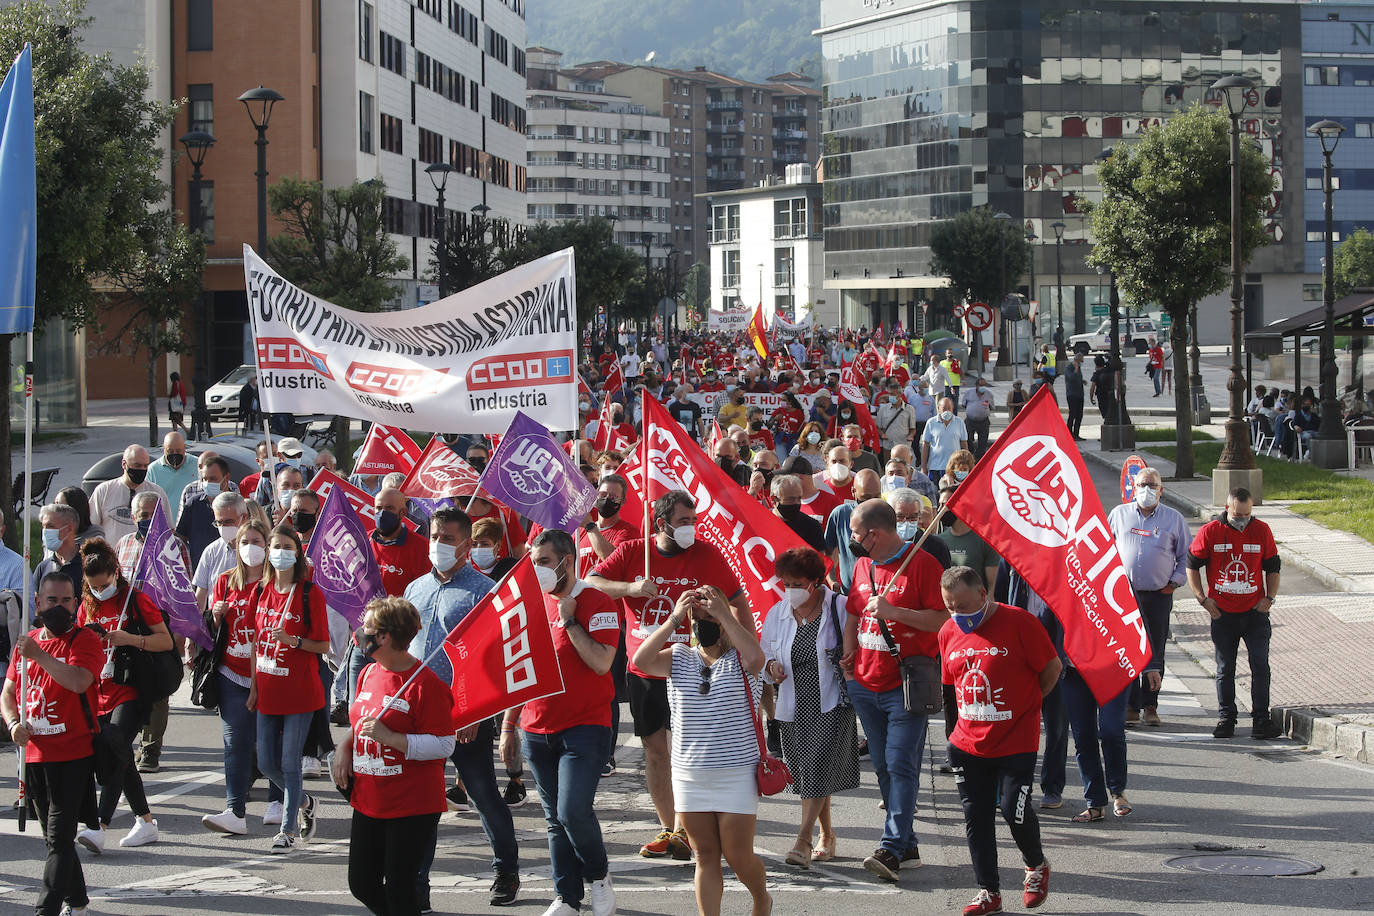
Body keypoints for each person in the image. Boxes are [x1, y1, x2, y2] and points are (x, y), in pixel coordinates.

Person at [588, 490, 752, 861]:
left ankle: (689, 829)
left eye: (693, 521)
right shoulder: (633, 551)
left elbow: (738, 599)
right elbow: (594, 581)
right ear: (661, 524)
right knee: (656, 752)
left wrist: (748, 649)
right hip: (645, 668)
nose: (691, 528)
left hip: (692, 667)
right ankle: (671, 828)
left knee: (689, 754)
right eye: (683, 522)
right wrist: (630, 588)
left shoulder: (707, 554)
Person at [405, 508, 521, 908]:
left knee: (483, 792)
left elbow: (491, 659)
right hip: (419, 712)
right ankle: (417, 882)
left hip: (464, 713)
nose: (439, 543)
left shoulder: (483, 590)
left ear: (467, 544)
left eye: (449, 538)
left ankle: (506, 870)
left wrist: (474, 713)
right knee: (424, 799)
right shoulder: (415, 589)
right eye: (435, 535)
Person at [500, 531, 620, 916]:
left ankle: (599, 878)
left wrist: (570, 622)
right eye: (533, 562)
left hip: (585, 727)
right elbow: (520, 669)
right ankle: (566, 897)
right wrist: (508, 726)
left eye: (544, 562)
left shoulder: (596, 601)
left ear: (567, 560)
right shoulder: (531, 604)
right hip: (536, 728)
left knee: (572, 812)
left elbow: (602, 661)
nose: (537, 570)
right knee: (554, 820)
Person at [632, 585, 770, 916]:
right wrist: (674, 618)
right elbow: (640, 660)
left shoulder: (741, 658)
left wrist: (724, 612)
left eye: (708, 616)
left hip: (735, 773)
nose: (701, 622)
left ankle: (761, 898)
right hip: (689, 775)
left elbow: (757, 659)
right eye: (697, 617)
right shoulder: (679, 657)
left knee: (738, 856)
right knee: (705, 855)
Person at [939, 565, 1058, 916]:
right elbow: (952, 685)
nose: (957, 614)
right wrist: (954, 734)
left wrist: (1030, 703)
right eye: (950, 606)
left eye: (963, 605)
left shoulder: (1019, 622)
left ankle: (1035, 865)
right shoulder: (948, 632)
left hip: (1015, 740)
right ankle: (988, 891)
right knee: (976, 818)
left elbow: (1052, 667)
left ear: (982, 594)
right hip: (967, 744)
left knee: (1013, 809)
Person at [843, 499, 947, 880]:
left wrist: (897, 613)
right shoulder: (862, 564)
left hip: (905, 685)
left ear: (876, 534)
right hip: (865, 683)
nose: (851, 539)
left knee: (901, 764)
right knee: (885, 765)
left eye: (856, 533)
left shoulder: (923, 565)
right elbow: (854, 610)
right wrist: (849, 652)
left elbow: (942, 620)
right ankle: (907, 843)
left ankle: (890, 848)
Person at [334, 597, 456, 916]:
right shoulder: (370, 673)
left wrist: (392, 739)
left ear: (385, 637)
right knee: (361, 883)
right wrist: (344, 747)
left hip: (411, 802)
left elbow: (445, 745)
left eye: (367, 628)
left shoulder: (425, 685)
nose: (360, 633)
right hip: (370, 796)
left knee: (400, 888)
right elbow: (362, 721)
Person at [2, 572, 102, 916]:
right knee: (53, 838)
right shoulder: (27, 641)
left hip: (73, 755)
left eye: (66, 601)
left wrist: (40, 656)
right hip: (34, 757)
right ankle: (78, 902)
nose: (59, 607)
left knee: (59, 840)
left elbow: (78, 681)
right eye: (52, 601)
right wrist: (13, 723)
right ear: (38, 604)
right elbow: (9, 692)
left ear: (76, 603)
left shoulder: (85, 640)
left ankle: (46, 910)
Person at [761, 547, 859, 868]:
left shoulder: (840, 607)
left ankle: (802, 840)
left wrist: (851, 656)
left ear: (815, 582)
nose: (790, 589)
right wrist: (772, 665)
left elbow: (858, 645)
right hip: (793, 705)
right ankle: (827, 835)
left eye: (797, 582)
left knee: (817, 767)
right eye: (785, 582)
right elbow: (764, 656)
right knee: (807, 774)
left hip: (831, 703)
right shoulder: (778, 613)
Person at [74, 538, 170, 852]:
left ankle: (99, 825)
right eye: (92, 586)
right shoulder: (86, 605)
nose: (99, 591)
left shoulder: (135, 599)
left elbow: (165, 641)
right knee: (121, 754)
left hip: (130, 687)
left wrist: (128, 638)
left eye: (103, 584)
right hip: (97, 690)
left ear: (115, 573)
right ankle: (145, 820)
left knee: (115, 742)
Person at [249, 523, 330, 852]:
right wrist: (253, 688)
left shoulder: (310, 592)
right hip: (267, 688)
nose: (279, 552)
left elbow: (324, 645)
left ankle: (288, 830)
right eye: (275, 547)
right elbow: (254, 642)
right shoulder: (261, 590)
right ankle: (305, 801)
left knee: (289, 761)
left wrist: (293, 640)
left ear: (296, 553)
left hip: (300, 691)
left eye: (286, 547)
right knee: (266, 762)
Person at [1186, 488, 1283, 740]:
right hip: (1223, 615)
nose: (1243, 520)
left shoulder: (1261, 530)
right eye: (1238, 514)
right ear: (1227, 508)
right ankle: (1226, 718)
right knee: (1225, 668)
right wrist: (1202, 599)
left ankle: (1261, 720)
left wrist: (1269, 598)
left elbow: (1273, 567)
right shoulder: (1211, 532)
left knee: (1260, 665)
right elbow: (1192, 565)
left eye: (1247, 514)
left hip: (1254, 614)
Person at [202, 518, 272, 835]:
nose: (250, 548)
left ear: (267, 546)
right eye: (245, 542)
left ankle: (280, 800)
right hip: (231, 674)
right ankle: (235, 811)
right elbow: (212, 632)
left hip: (269, 675)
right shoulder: (225, 581)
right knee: (235, 742)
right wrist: (214, 617)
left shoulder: (275, 582)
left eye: (257, 542)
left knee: (270, 743)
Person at [1107, 467, 1190, 727]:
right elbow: (1105, 550)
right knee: (1129, 649)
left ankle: (1150, 705)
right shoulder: (1119, 515)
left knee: (1155, 650)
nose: (1147, 490)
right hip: (1125, 597)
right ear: (1134, 486)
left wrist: (1174, 582)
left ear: (1161, 490)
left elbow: (1186, 556)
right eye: (1143, 484)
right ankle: (1131, 705)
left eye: (1153, 485)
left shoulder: (1173, 519)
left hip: (1158, 595)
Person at [823, 468, 882, 593]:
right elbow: (826, 554)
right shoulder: (840, 514)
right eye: (866, 497)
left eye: (877, 496)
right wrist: (832, 581)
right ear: (853, 492)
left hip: (881, 593)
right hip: (849, 594)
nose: (871, 502)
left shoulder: (887, 515)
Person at [937, 485, 1000, 590]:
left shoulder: (985, 540)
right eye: (940, 505)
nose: (940, 510)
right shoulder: (940, 541)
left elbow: (992, 585)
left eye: (944, 504)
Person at [176, 454, 232, 571]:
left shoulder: (237, 505)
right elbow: (180, 538)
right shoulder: (193, 504)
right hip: (199, 572)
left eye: (213, 479)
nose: (208, 483)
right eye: (205, 479)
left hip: (229, 571)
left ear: (226, 478)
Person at [32, 504, 85, 607]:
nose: (45, 532)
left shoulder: (87, 565)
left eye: (50, 526)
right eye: (43, 527)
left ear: (69, 529)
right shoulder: (43, 567)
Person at [888, 488, 952, 569]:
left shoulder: (936, 546)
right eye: (900, 516)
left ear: (919, 516)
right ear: (890, 515)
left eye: (912, 517)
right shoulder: (881, 545)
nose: (906, 521)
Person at [145, 431, 196, 525]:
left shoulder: (197, 465)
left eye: (178, 451)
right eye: (170, 451)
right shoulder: (153, 470)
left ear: (184, 448)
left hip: (192, 526)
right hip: (164, 527)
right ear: (164, 449)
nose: (174, 454)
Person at [771, 474, 826, 553]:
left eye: (799, 498)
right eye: (790, 499)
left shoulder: (811, 526)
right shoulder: (764, 524)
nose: (796, 503)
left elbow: (820, 561)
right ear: (774, 499)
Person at [920, 399, 969, 485]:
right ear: (938, 409)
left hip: (955, 467)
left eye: (949, 408)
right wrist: (924, 466)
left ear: (952, 408)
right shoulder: (931, 422)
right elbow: (925, 445)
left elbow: (964, 443)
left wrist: (968, 464)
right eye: (944, 408)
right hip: (936, 466)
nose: (947, 411)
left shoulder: (959, 422)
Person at [876, 382, 916, 458]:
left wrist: (910, 436)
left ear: (900, 395)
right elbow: (877, 427)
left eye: (893, 394)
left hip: (903, 446)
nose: (890, 396)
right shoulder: (883, 409)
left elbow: (913, 429)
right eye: (889, 394)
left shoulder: (910, 409)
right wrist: (882, 434)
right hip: (888, 446)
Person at [959, 377, 995, 457]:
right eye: (980, 385)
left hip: (983, 421)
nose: (982, 387)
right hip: (970, 421)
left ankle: (979, 458)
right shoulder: (969, 393)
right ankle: (970, 454)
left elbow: (992, 407)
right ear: (976, 385)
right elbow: (964, 404)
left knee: (983, 442)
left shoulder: (989, 394)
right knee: (968, 439)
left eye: (984, 385)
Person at [1063, 355, 1086, 440]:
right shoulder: (1069, 368)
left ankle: (1076, 434)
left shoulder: (1078, 368)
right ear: (1077, 360)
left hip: (1079, 394)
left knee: (1079, 415)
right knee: (1072, 414)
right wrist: (1076, 369)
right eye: (1080, 361)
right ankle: (1069, 434)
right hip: (1072, 394)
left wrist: (1082, 381)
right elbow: (1071, 378)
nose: (1081, 364)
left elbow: (1077, 378)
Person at [1089, 356, 1117, 425]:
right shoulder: (1108, 370)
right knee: (1111, 410)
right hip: (1110, 394)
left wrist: (1091, 397)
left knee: (1105, 412)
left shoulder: (1097, 374)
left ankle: (1107, 423)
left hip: (1101, 396)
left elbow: (1092, 387)